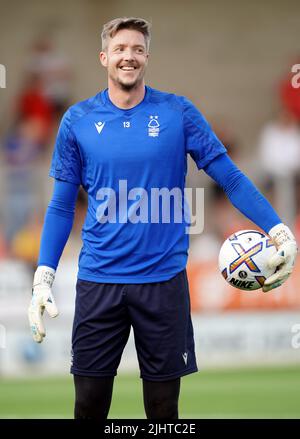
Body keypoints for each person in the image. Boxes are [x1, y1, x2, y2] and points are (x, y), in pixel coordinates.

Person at [28, 17, 298, 420]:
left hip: (163, 283)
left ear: (147, 57)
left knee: (163, 409)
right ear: (104, 57)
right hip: (99, 282)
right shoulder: (77, 121)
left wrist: (278, 228)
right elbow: (62, 205)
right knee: (88, 404)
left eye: (137, 49)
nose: (128, 56)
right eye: (120, 49)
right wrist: (43, 275)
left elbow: (230, 175)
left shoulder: (178, 113)